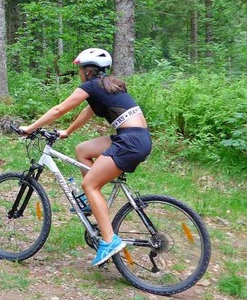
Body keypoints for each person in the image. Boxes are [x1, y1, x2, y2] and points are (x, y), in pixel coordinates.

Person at [20, 48, 152, 267]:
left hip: (129, 143)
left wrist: (30, 128)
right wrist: (68, 132)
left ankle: (109, 241)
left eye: (80, 69)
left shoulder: (91, 86)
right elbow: (87, 112)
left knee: (90, 184)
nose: (79, 74)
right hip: (135, 138)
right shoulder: (108, 86)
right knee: (83, 150)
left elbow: (59, 109)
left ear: (88, 71)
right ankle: (92, 204)